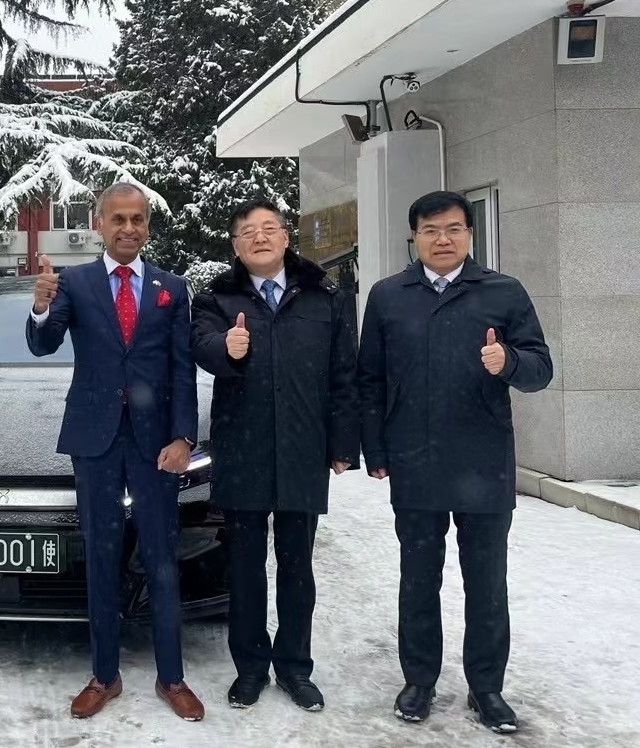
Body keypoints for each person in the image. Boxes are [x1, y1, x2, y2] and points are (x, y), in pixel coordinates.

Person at [358, 190, 553, 734]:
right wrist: (375, 449)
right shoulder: (388, 296)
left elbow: (541, 368)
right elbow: (369, 378)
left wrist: (509, 360)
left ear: (469, 234)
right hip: (414, 460)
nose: (442, 239)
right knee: (418, 579)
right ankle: (419, 680)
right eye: (430, 230)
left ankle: (486, 688)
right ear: (414, 237)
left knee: (487, 584)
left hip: (484, 460)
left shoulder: (503, 292)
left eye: (453, 229)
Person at [26, 181, 203, 722]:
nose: (128, 228)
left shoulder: (172, 288)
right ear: (99, 225)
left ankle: (171, 677)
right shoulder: (74, 283)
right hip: (95, 440)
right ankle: (105, 675)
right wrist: (41, 306)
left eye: (137, 219)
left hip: (156, 444)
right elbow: (43, 344)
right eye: (118, 219)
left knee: (161, 557)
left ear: (147, 226)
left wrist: (183, 437)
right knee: (101, 556)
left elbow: (181, 369)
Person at [190, 198, 358, 712]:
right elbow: (199, 345)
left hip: (303, 448)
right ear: (236, 246)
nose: (259, 237)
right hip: (242, 447)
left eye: (269, 228)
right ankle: (250, 669)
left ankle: (294, 667)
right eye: (248, 232)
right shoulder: (217, 297)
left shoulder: (323, 296)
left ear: (286, 237)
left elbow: (343, 374)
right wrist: (227, 347)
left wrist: (342, 443)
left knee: (297, 566)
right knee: (244, 567)